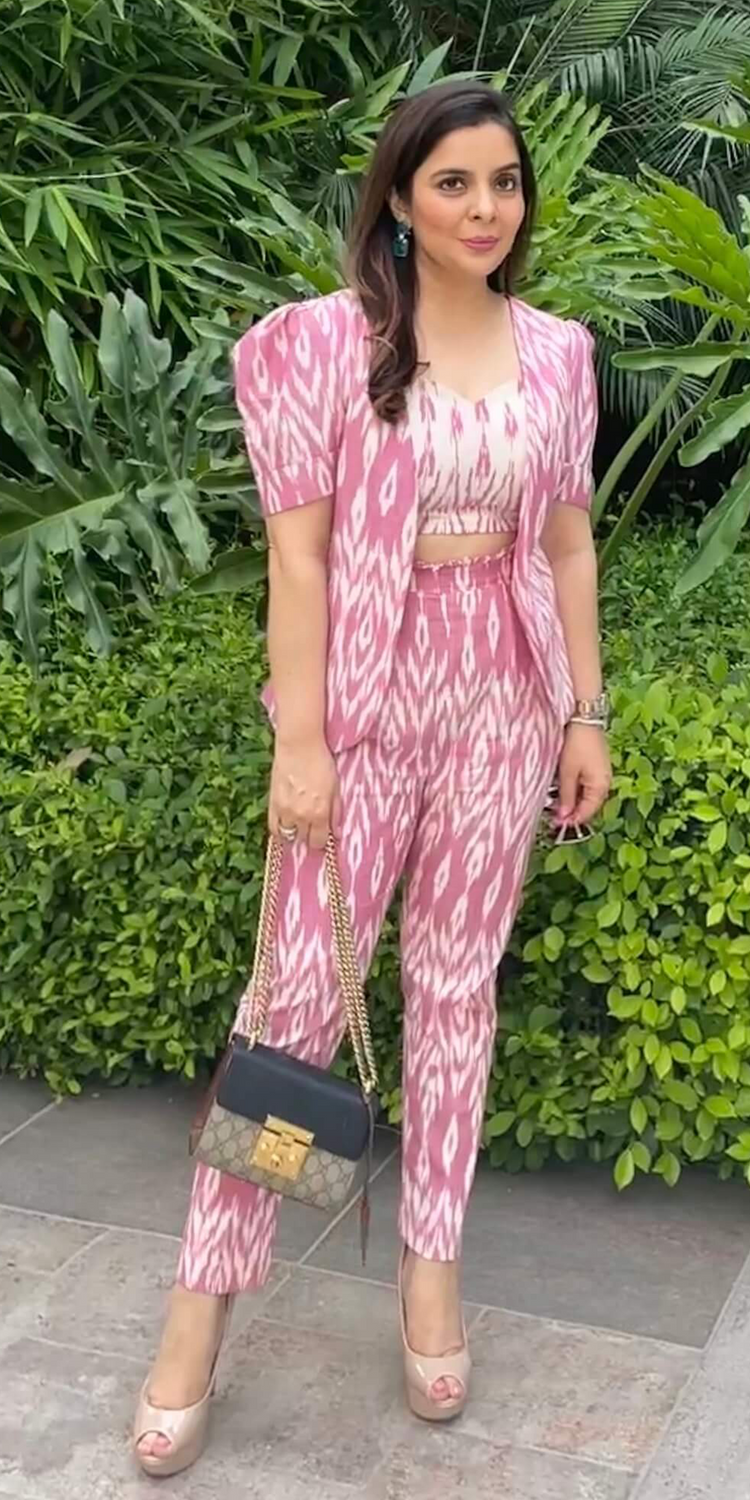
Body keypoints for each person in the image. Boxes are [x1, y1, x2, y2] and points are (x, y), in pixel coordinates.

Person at [133, 79, 611, 1475]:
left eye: (504, 182)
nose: (484, 208)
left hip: (502, 698)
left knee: (457, 992)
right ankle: (201, 1304)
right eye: (453, 182)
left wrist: (583, 714)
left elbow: (567, 543)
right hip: (361, 703)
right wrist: (302, 745)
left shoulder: (559, 355)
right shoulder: (319, 347)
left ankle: (429, 1270)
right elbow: (298, 560)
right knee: (294, 1004)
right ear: (399, 197)